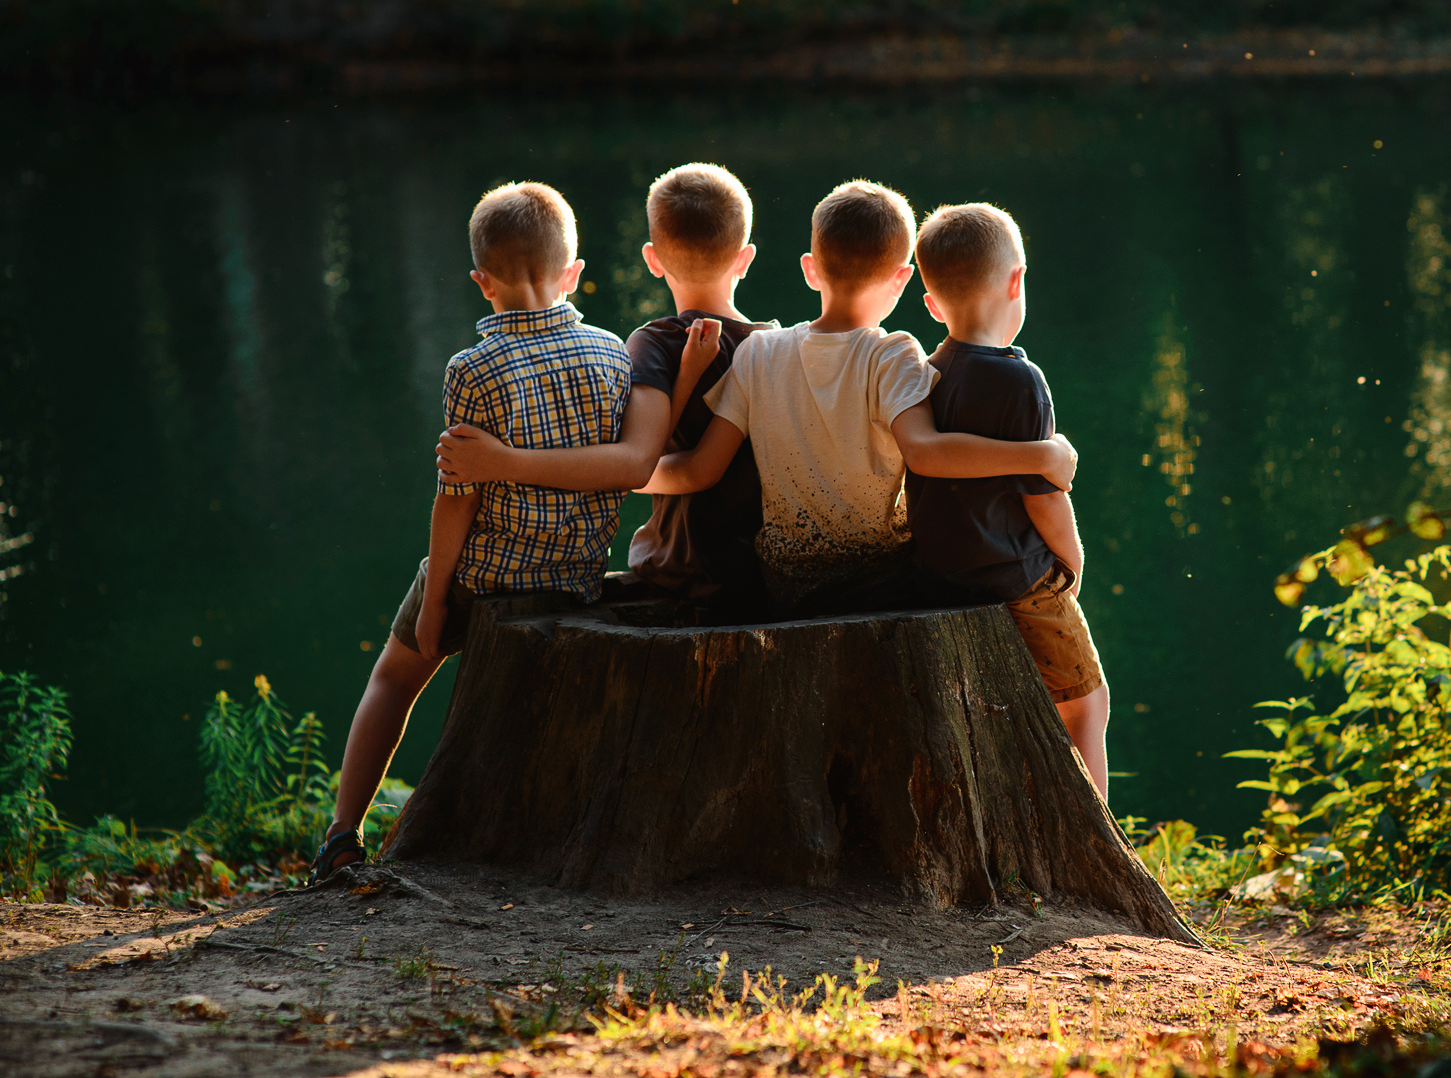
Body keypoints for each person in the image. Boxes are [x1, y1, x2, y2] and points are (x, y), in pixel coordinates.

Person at [313, 182, 635, 881]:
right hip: (575, 577)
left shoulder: (472, 369)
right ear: (574, 272)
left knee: (392, 679)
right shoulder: (613, 353)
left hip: (487, 579)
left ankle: (342, 833)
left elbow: (456, 498)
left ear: (479, 281)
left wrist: (435, 602)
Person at [648, 180, 1078, 615]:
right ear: (902, 278)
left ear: (810, 269)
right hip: (882, 583)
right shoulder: (892, 356)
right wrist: (1040, 456)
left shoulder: (759, 351)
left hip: (786, 584)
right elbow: (926, 453)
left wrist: (633, 473)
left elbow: (701, 470)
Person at [435, 163, 772, 610]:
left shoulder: (652, 343)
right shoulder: (775, 346)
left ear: (651, 259)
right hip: (763, 570)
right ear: (746, 258)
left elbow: (640, 465)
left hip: (679, 566)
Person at [906, 203, 1110, 798]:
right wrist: (1070, 562)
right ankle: (1100, 838)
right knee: (1086, 705)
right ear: (1017, 280)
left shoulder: (927, 373)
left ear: (932, 304)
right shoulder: (1022, 380)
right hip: (1017, 577)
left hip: (943, 576)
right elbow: (1043, 498)